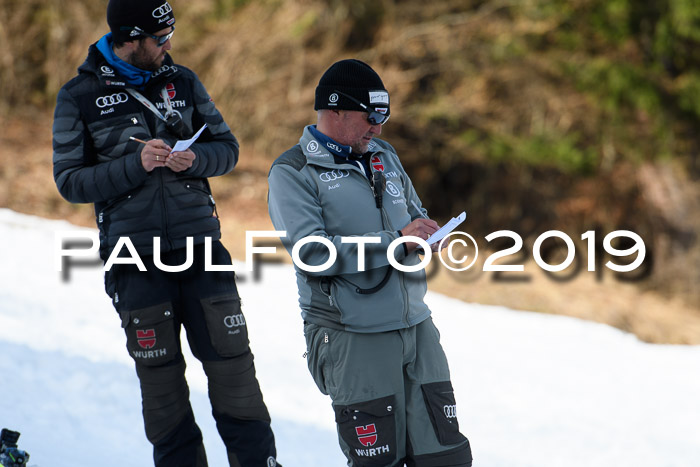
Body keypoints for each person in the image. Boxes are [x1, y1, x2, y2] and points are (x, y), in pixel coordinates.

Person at [52, 1, 280, 465]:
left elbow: (228, 149)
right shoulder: (77, 95)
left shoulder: (184, 81)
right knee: (162, 387)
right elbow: (70, 181)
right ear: (130, 39)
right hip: (135, 260)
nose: (169, 45)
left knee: (235, 374)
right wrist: (134, 166)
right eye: (160, 38)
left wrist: (196, 159)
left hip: (201, 249)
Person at [267, 59, 472, 466]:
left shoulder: (384, 154)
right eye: (370, 117)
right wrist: (395, 241)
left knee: (446, 456)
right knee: (379, 461)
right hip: (352, 335)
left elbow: (413, 213)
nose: (378, 127)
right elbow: (312, 254)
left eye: (383, 116)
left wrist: (426, 235)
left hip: (416, 327)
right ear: (334, 110)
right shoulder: (293, 172)